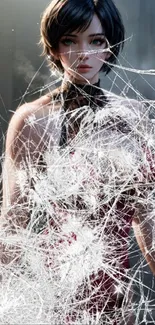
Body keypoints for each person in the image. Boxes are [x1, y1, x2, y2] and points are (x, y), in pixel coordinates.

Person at [1, 0, 155, 324]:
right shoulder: (33, 121)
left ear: (109, 46)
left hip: (117, 304)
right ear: (55, 47)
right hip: (56, 303)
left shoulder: (135, 117)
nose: (83, 53)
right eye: (70, 40)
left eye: (96, 41)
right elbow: (13, 224)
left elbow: (146, 218)